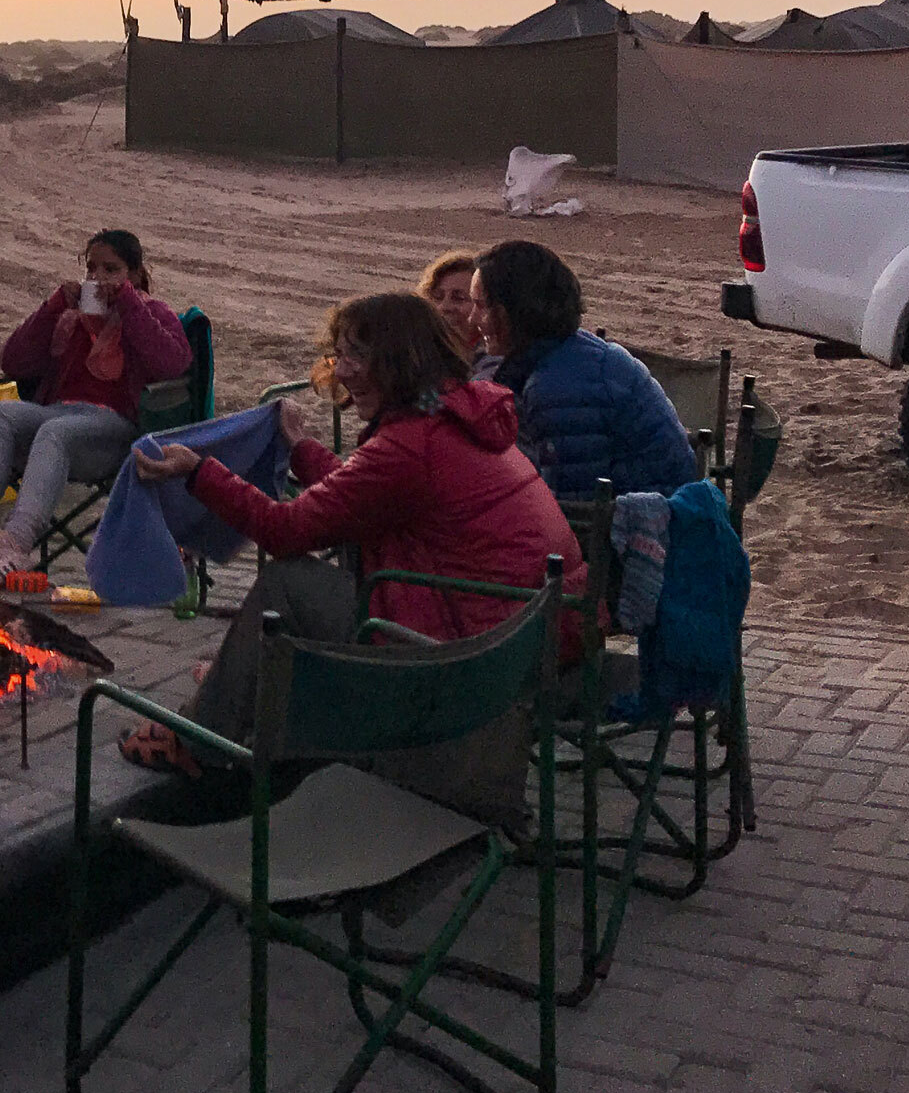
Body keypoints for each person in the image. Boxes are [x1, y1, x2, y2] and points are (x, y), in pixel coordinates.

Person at [122, 290, 585, 773]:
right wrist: (300, 446)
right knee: (317, 582)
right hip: (526, 638)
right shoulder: (454, 414)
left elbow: (287, 530)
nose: (341, 371)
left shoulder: (410, 445)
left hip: (461, 657)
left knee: (288, 583)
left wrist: (200, 472)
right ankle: (238, 684)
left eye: (356, 356)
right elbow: (361, 492)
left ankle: (201, 743)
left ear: (401, 360)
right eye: (339, 354)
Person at [0, 229, 192, 589]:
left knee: (54, 432)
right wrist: (52, 308)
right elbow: (14, 361)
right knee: (1, 415)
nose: (98, 279)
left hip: (114, 428)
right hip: (58, 414)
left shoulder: (151, 312)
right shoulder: (71, 319)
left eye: (112, 270)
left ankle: (15, 543)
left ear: (136, 275)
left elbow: (173, 364)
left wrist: (128, 304)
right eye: (92, 269)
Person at [469, 239, 696, 500]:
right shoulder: (567, 354)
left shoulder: (558, 386)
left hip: (649, 520)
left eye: (482, 306)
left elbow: (576, 503)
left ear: (515, 311)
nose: (472, 318)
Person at [416, 249, 480, 360]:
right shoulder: (416, 355)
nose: (444, 307)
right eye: (437, 297)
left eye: (459, 298)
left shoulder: (494, 365)